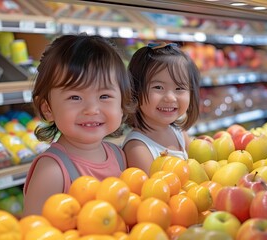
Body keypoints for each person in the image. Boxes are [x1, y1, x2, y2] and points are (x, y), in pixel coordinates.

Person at [23, 34, 135, 216]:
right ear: (48, 108)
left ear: (122, 104)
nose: (91, 109)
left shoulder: (119, 156)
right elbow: (34, 231)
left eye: (104, 96)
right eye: (75, 97)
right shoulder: (52, 172)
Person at [122, 42, 200, 174]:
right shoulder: (138, 148)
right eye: (158, 87)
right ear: (135, 90)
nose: (170, 97)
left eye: (179, 88)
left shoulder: (179, 133)